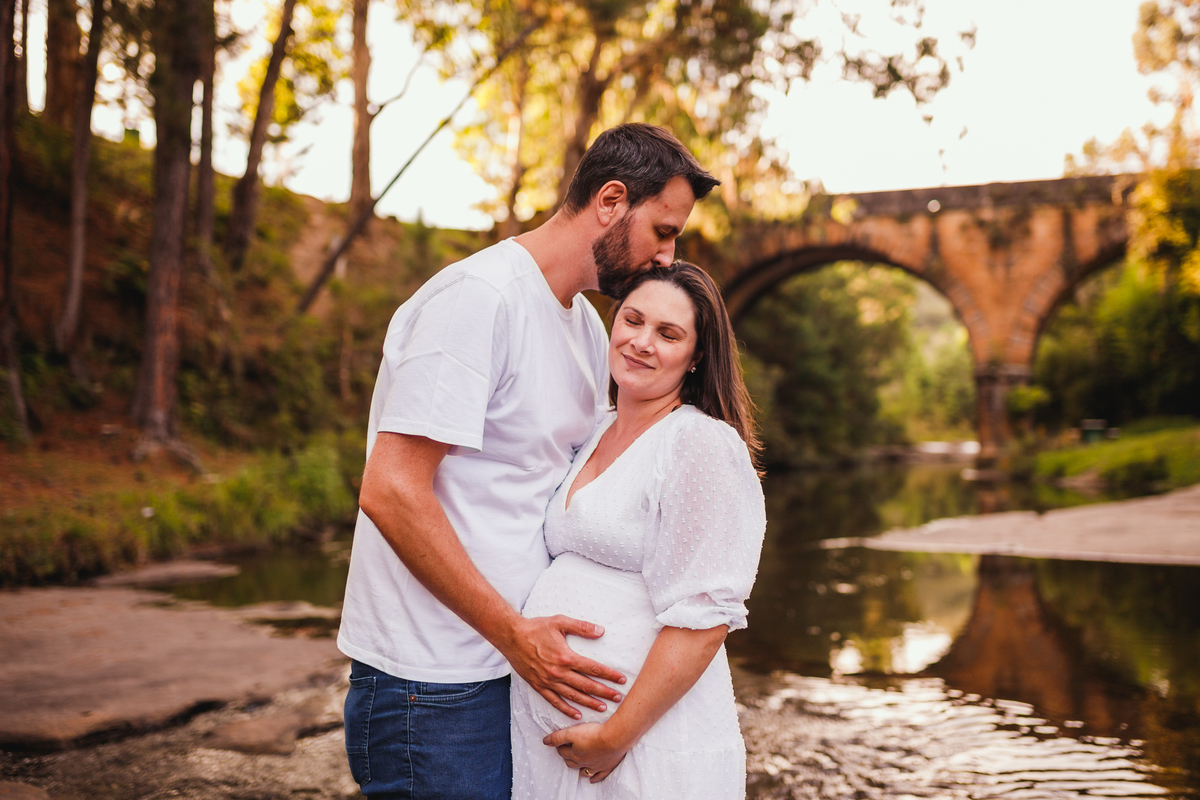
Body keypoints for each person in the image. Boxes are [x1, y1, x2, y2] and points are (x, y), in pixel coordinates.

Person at [338, 124, 720, 799]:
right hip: (433, 686)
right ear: (609, 201)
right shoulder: (479, 299)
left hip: (509, 678)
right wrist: (514, 633)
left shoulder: (583, 327)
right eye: (663, 231)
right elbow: (391, 490)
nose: (667, 258)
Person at [510, 261, 766, 799]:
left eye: (668, 333)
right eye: (633, 320)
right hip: (559, 744)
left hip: (645, 742)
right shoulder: (595, 427)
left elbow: (703, 619)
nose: (641, 342)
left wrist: (615, 734)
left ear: (696, 357)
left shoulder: (699, 444)